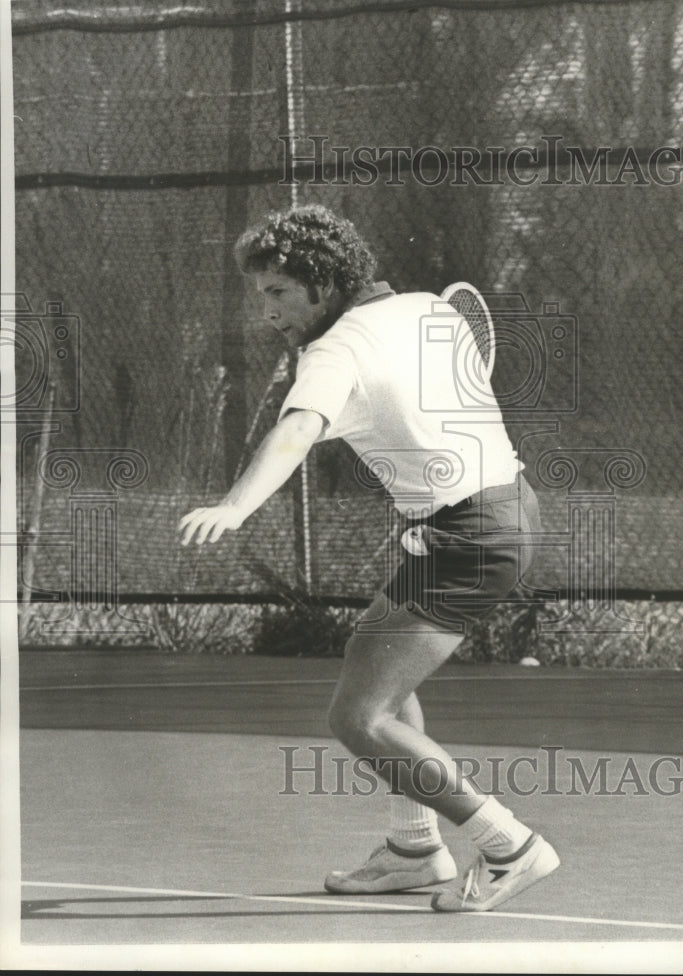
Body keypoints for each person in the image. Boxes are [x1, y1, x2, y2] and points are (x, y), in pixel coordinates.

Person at [179, 204, 559, 912]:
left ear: (321, 282)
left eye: (277, 293)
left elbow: (296, 431)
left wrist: (236, 505)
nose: (267, 313)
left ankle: (510, 844)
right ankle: (414, 848)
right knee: (379, 667)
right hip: (504, 508)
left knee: (359, 718)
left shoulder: (334, 352)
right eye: (260, 296)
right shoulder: (426, 310)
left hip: (468, 537)